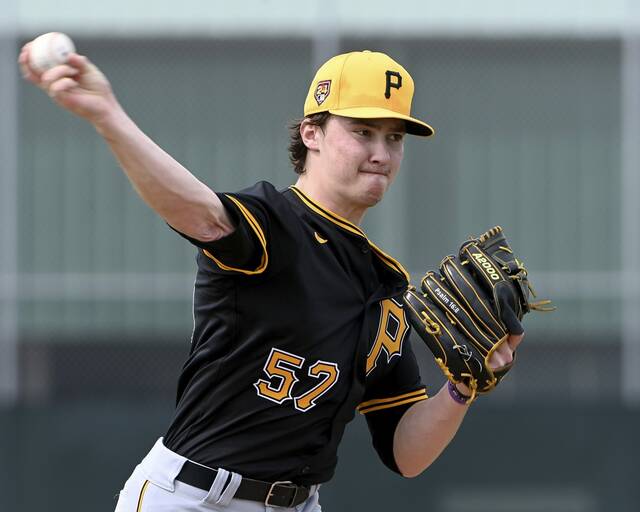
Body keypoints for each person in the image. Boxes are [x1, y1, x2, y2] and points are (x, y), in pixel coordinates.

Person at [19, 44, 522, 511]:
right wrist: (110, 118)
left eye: (393, 138)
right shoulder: (274, 223)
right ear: (312, 133)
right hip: (194, 497)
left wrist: (460, 390)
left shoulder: (384, 285)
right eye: (362, 131)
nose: (381, 153)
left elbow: (405, 454)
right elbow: (201, 213)